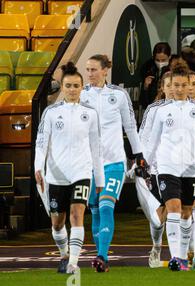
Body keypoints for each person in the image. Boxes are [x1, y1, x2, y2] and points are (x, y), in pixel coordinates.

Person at [143, 62, 195, 271]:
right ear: (170, 86)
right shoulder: (161, 111)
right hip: (168, 167)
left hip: (194, 167)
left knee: (187, 212)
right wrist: (145, 163)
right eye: (175, 85)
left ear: (189, 87)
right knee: (173, 208)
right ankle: (176, 257)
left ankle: (186, 256)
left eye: (182, 85)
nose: (178, 89)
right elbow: (153, 141)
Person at [35, 62, 105, 274]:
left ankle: (73, 263)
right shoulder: (50, 113)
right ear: (62, 88)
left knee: (77, 216)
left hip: (81, 173)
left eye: (76, 86)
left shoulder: (90, 114)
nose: (73, 89)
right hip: (56, 175)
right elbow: (41, 143)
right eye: (69, 86)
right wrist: (38, 167)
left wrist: (99, 179)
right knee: (57, 223)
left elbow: (96, 148)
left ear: (82, 88)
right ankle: (64, 254)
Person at [81, 54, 147, 272]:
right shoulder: (80, 95)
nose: (89, 74)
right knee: (95, 211)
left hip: (114, 162)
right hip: (88, 165)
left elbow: (130, 126)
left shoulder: (118, 95)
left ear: (105, 71)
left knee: (106, 205)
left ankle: (102, 256)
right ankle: (101, 254)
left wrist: (139, 155)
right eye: (87, 70)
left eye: (93, 70)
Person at [139, 72, 173, 268]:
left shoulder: (191, 108)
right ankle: (157, 247)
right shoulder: (153, 109)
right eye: (168, 85)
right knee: (159, 217)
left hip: (180, 168)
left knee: (178, 209)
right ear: (163, 87)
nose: (172, 89)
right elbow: (143, 136)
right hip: (156, 167)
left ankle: (183, 252)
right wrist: (142, 162)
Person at [140, 42, 171, 107]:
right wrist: (145, 87)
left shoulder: (175, 71)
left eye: (163, 60)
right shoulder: (148, 70)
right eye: (157, 60)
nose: (160, 63)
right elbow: (143, 102)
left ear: (169, 57)